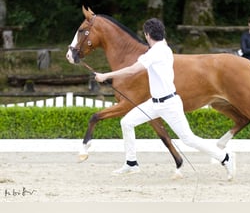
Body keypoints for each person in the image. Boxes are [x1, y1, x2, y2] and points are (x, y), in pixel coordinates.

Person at [94, 18, 234, 180]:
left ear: (147, 35)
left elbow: (133, 70)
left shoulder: (155, 52)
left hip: (169, 104)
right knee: (127, 122)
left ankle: (225, 158)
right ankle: (131, 163)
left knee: (189, 139)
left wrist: (106, 75)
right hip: (154, 103)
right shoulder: (164, 48)